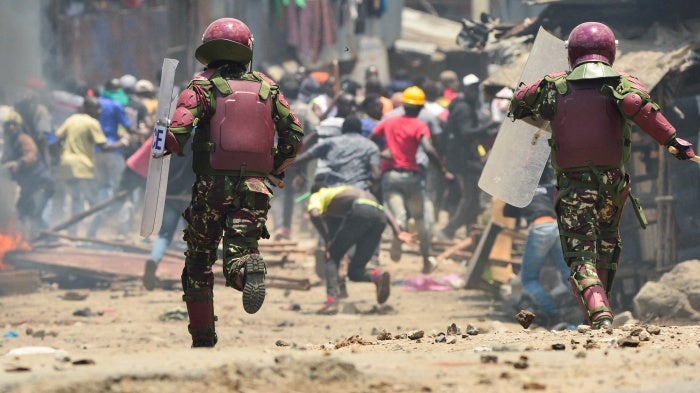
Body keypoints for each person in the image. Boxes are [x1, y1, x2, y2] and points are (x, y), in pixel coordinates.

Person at [508, 22, 696, 329]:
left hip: (574, 186)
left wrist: (533, 93)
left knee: (581, 253)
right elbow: (646, 113)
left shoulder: (554, 87)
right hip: (613, 184)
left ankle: (599, 314)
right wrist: (676, 142)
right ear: (610, 50)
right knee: (607, 245)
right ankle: (597, 315)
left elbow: (518, 103)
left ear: (572, 53)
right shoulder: (624, 85)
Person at [163, 18, 303, 347]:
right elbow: (294, 135)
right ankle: (244, 269)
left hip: (212, 188)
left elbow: (176, 135)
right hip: (255, 188)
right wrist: (276, 169)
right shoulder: (269, 89)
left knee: (198, 260)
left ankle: (203, 338)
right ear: (247, 51)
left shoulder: (201, 87)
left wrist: (165, 143)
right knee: (241, 250)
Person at [370, 86, 454, 274]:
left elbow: (371, 140)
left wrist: (379, 155)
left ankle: (398, 234)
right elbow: (429, 149)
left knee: (398, 214)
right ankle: (425, 260)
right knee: (422, 218)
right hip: (413, 177)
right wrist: (442, 171)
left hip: (390, 175)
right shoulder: (419, 125)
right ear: (420, 107)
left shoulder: (389, 122)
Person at [307, 183, 414, 314]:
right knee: (355, 271)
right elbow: (383, 208)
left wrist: (327, 240)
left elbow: (314, 214)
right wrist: (397, 232)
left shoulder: (319, 194)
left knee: (332, 255)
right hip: (379, 217)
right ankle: (377, 277)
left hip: (361, 211)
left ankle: (332, 301)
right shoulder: (348, 191)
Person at [503, 167, 570, 329]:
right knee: (568, 274)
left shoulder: (522, 192)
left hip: (540, 229)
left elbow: (508, 212)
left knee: (528, 279)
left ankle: (554, 314)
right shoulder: (549, 187)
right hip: (556, 227)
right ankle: (590, 306)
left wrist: (511, 191)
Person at [54, 96, 124, 235]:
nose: (99, 111)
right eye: (96, 108)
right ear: (87, 109)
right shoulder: (92, 123)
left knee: (76, 199)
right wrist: (123, 143)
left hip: (66, 165)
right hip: (82, 167)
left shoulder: (72, 119)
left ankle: (72, 232)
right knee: (93, 201)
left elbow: (57, 138)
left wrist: (58, 156)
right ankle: (91, 233)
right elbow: (103, 146)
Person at [439, 74, 495, 241]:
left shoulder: (466, 106)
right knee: (471, 197)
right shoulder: (463, 108)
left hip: (465, 158)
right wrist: (488, 128)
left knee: (473, 198)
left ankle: (471, 232)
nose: (474, 92)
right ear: (465, 89)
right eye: (471, 89)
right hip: (464, 160)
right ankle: (449, 230)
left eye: (475, 89)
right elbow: (466, 133)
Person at [1, 111, 55, 236]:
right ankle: (27, 239)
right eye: (8, 125)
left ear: (19, 126)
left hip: (42, 184)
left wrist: (18, 163)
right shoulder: (9, 144)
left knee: (34, 215)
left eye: (14, 124)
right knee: (20, 212)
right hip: (29, 187)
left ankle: (50, 238)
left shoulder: (24, 139)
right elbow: (4, 161)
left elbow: (31, 156)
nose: (11, 128)